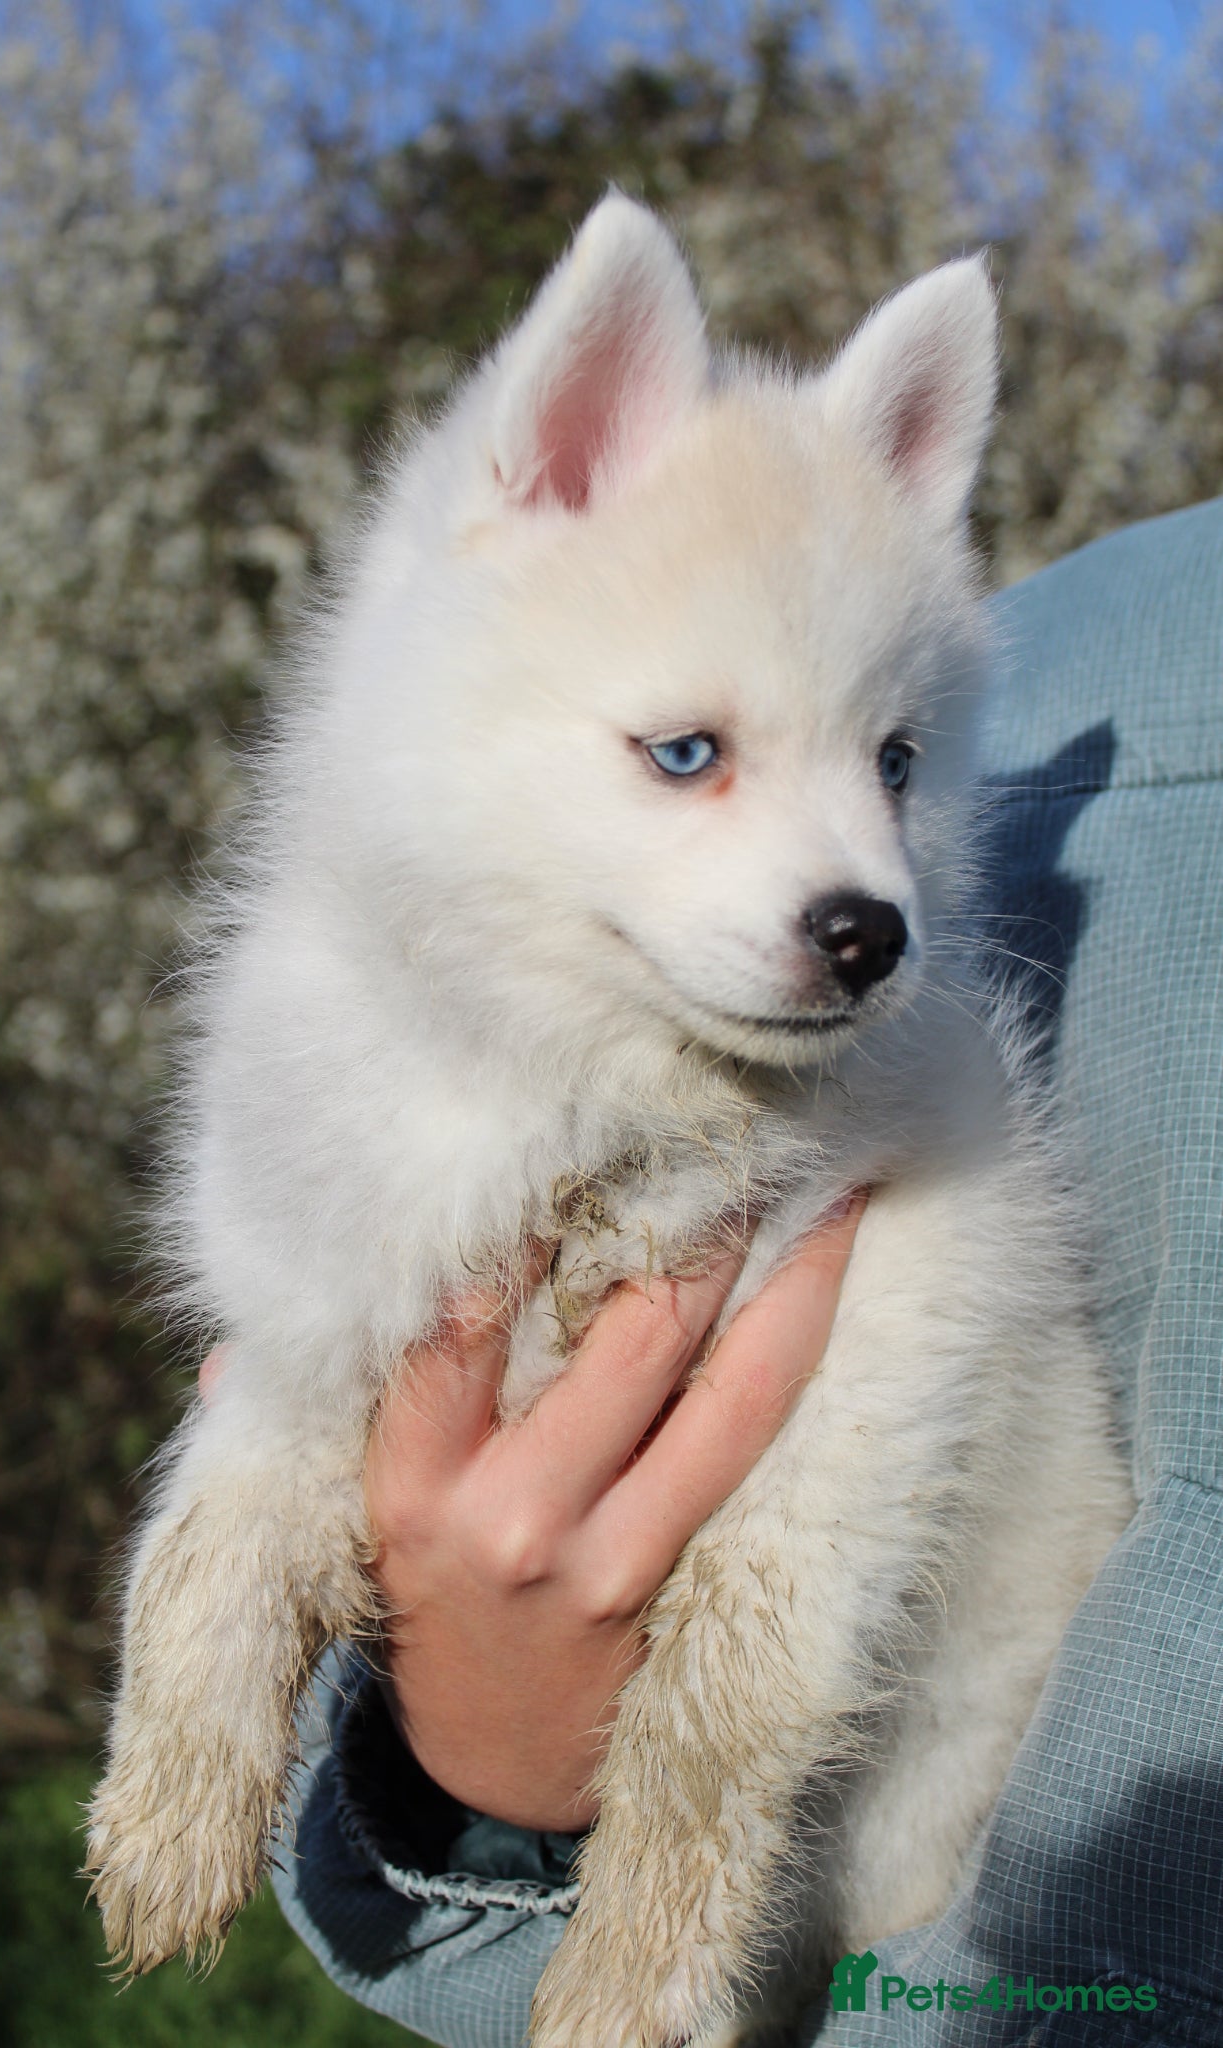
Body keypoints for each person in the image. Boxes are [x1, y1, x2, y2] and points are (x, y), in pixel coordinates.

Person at [267, 500, 1223, 2045]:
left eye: (889, 772)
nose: (858, 861)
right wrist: (497, 1781)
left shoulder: (1003, 686)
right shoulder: (993, 679)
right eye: (690, 755)